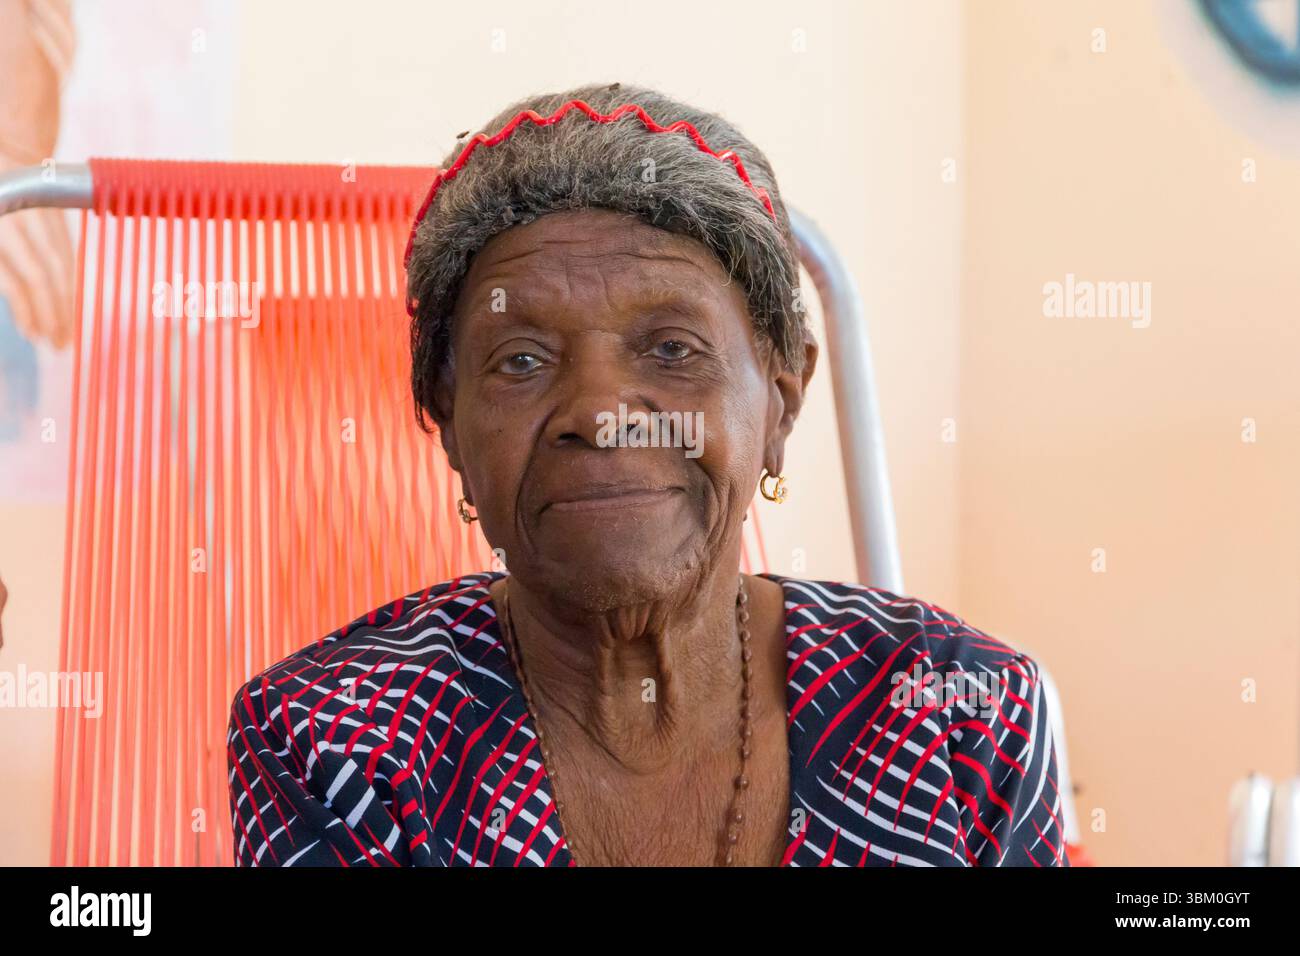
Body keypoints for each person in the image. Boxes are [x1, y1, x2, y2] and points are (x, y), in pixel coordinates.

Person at [226, 82, 1070, 867]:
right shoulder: (333, 743)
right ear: (448, 425)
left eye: (673, 350)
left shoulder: (966, 714)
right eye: (521, 360)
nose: (599, 414)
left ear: (780, 400)